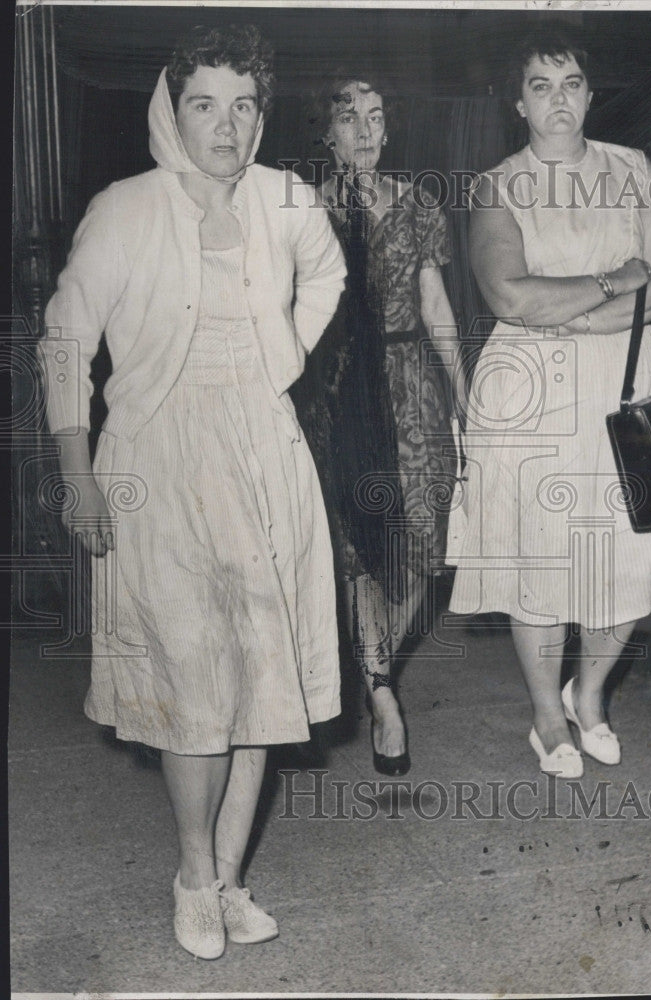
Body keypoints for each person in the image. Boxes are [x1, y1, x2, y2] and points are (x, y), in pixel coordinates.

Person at [38, 25, 346, 959]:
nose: (227, 125)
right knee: (190, 679)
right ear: (173, 111)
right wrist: (76, 473)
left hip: (263, 452)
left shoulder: (285, 198)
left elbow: (329, 274)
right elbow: (63, 340)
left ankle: (226, 878)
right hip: (156, 465)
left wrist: (286, 353)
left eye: (244, 104)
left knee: (262, 677)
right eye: (205, 104)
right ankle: (193, 874)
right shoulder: (124, 208)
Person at [449, 33, 651, 778]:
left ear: (589, 96)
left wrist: (578, 312)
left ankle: (588, 695)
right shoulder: (496, 186)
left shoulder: (632, 171)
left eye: (572, 83)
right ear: (519, 102)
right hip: (527, 394)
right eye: (541, 85)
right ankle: (547, 719)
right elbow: (508, 295)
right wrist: (619, 281)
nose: (559, 98)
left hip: (621, 383)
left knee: (627, 551)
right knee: (540, 556)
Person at [292, 76, 459, 775]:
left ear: (388, 130)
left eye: (375, 116)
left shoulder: (418, 207)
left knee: (424, 543)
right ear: (326, 134)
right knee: (358, 548)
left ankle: (372, 661)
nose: (364, 130)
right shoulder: (303, 210)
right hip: (338, 396)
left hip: (411, 387)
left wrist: (467, 400)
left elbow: (435, 306)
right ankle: (383, 691)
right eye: (347, 117)